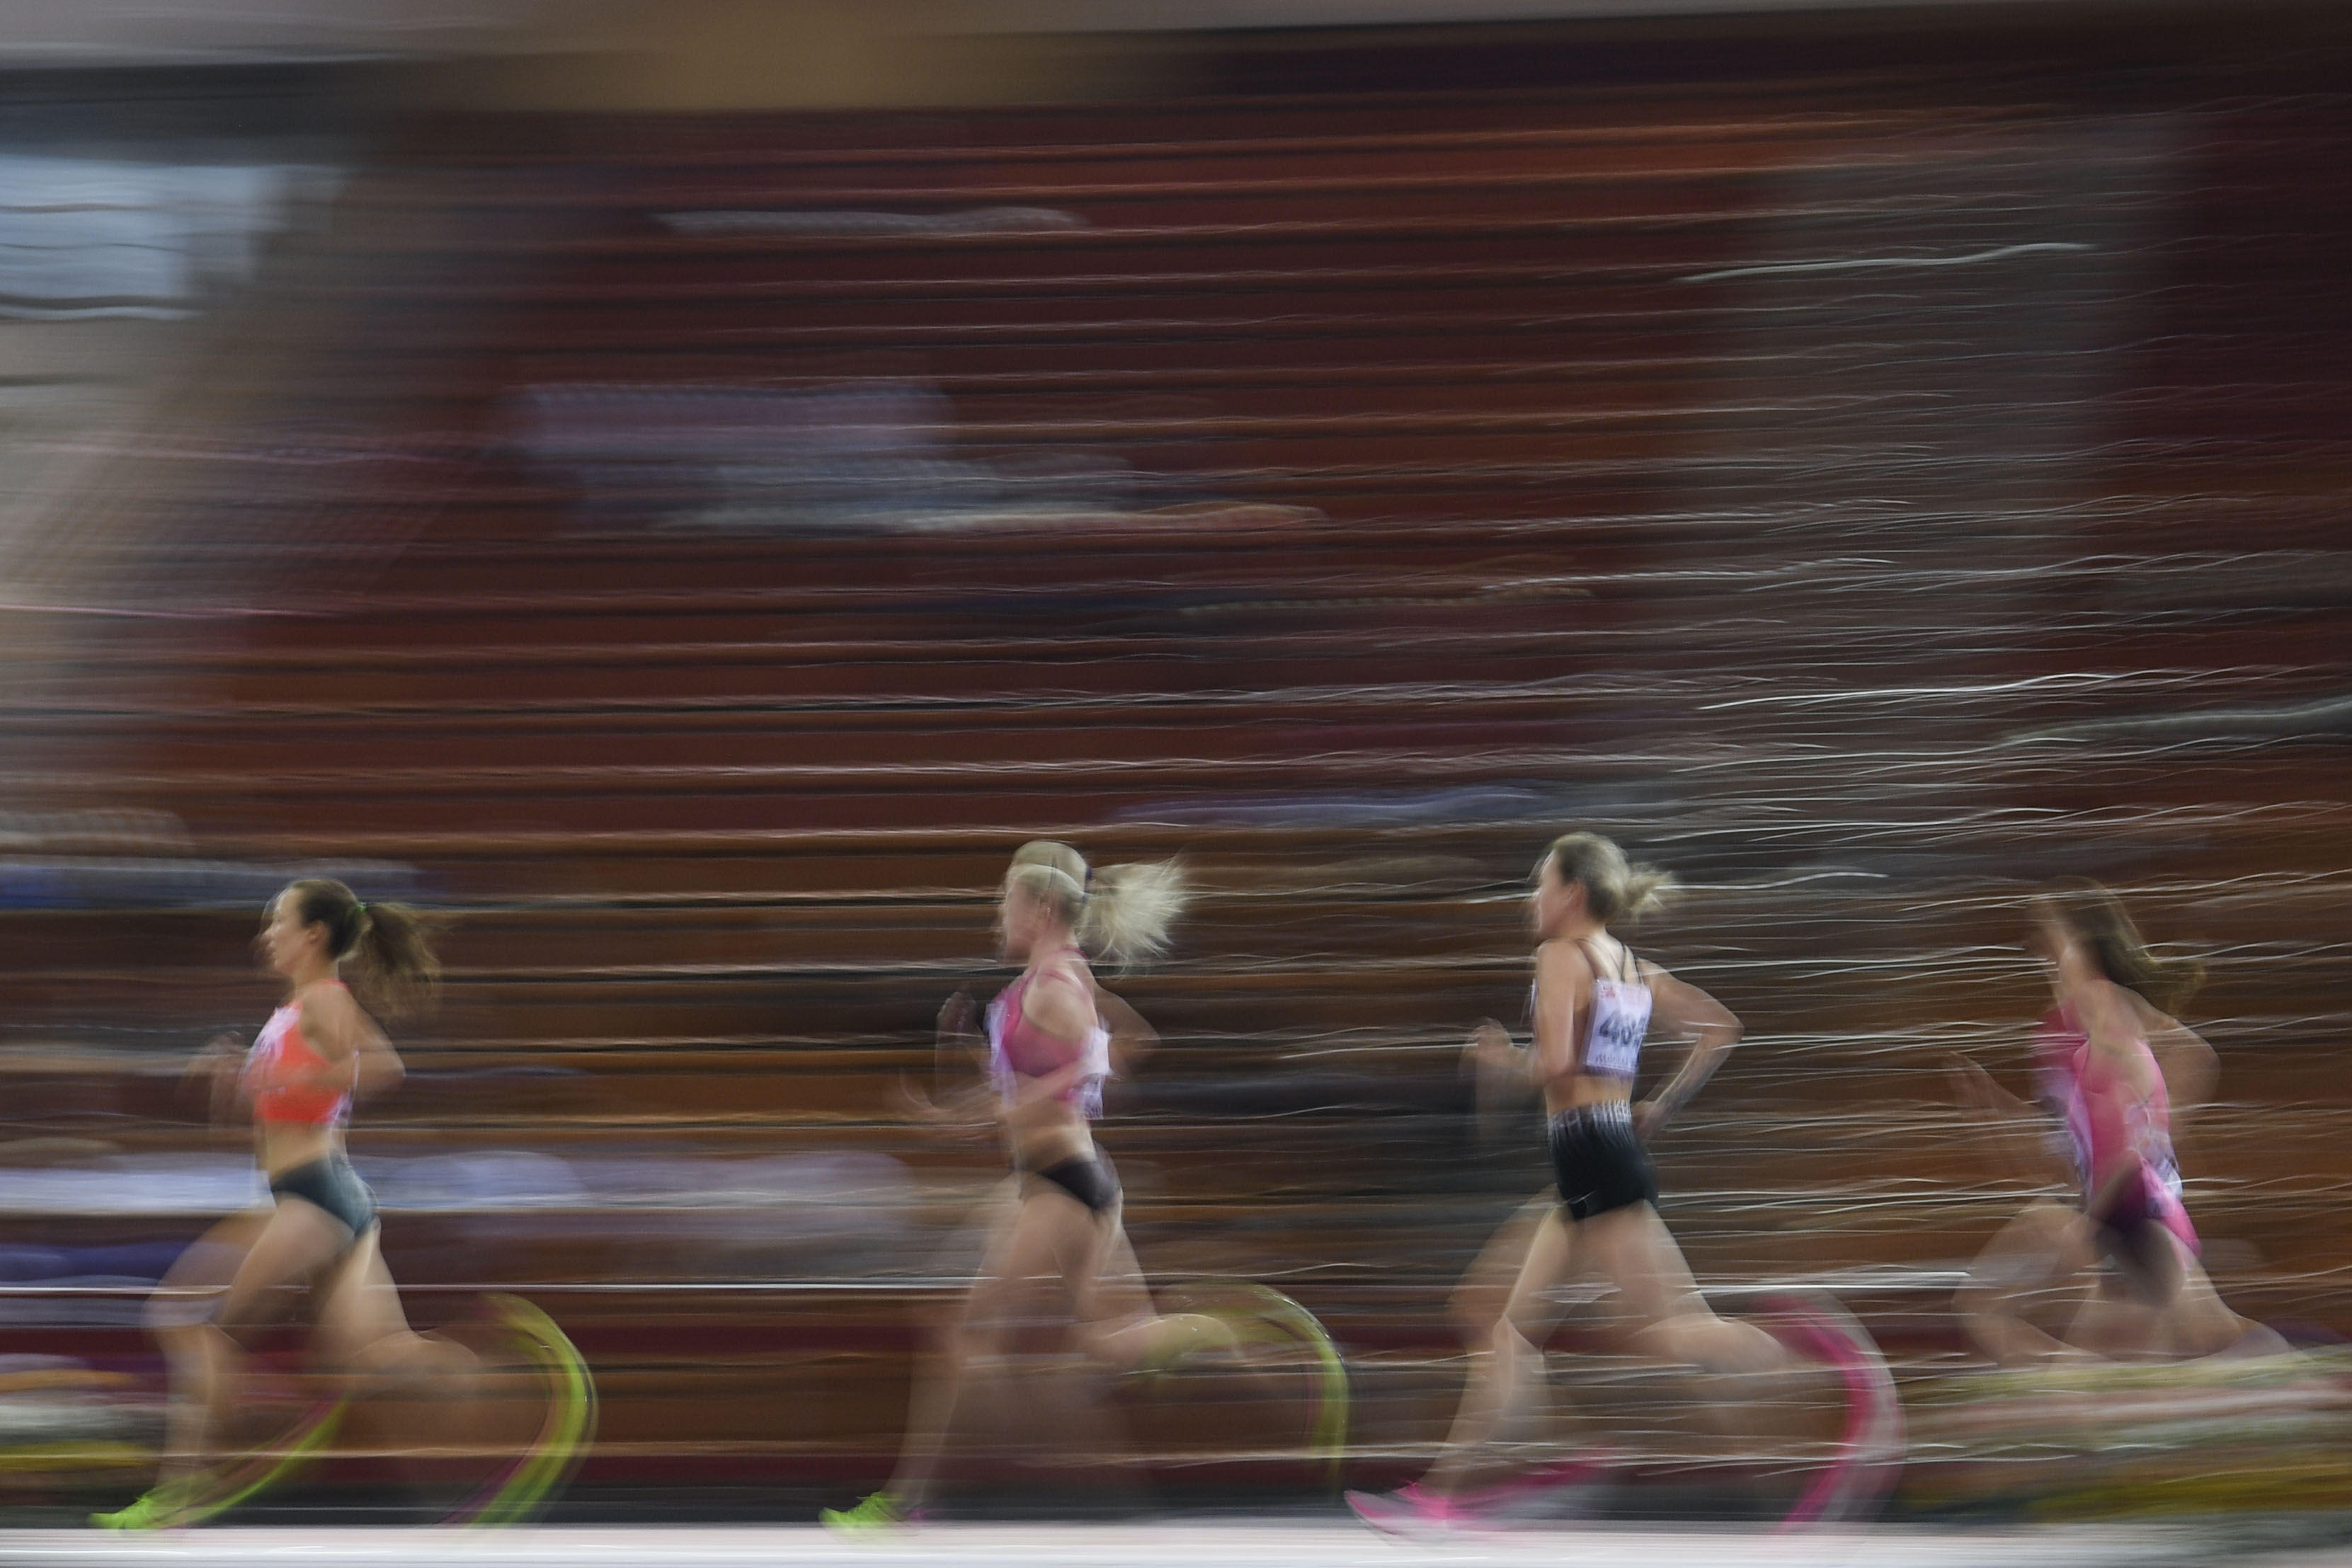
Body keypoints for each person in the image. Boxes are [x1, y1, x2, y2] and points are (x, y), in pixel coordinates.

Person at [1349, 832, 1883, 1532]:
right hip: (1599, 1158)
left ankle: (1834, 1369)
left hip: (1593, 1160)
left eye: (1540, 883)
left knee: (1666, 1331)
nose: (1530, 898)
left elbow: (1557, 1064)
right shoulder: (1631, 964)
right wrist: (1660, 1104)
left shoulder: (1561, 954)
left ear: (1571, 893)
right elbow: (1721, 1028)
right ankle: (1477, 1485)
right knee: (1498, 1319)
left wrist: (1499, 1060)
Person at [823, 841, 1342, 1532]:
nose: (996, 912)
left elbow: (1095, 1062)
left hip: (1063, 1185)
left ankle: (911, 1498)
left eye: (1004, 897)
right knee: (1109, 1341)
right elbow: (1129, 1038)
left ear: (1040, 907)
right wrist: (967, 1108)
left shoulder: (1055, 985)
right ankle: (1241, 1327)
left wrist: (1004, 1105)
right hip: (1063, 1178)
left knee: (968, 1333)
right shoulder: (1057, 976)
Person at [95, 879, 571, 1530]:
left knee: (191, 1320)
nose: (267, 934)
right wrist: (239, 1075)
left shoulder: (324, 998)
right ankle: (502, 1356)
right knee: (375, 1359)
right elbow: (294, 1093)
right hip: (319, 1196)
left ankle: (181, 1488)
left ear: (312, 934)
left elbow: (382, 1067)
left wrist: (283, 1077)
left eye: (277, 922)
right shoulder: (295, 1007)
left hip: (318, 1196)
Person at [1951, 883, 2282, 1365]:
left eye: (2055, 944)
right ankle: (2095, 1391)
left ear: (2085, 951)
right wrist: (1990, 1106)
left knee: (2198, 1344)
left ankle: (2285, 1380)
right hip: (2103, 1208)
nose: (2046, 956)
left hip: (2135, 1209)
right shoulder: (2058, 1035)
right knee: (1982, 1306)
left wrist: (2157, 1125)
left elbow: (2192, 1059)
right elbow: (2054, 1147)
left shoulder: (2110, 1010)